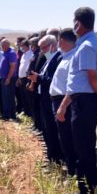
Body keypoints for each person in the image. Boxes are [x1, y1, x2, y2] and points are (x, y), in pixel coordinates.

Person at [56, 7, 97, 194]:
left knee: (83, 147)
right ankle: (90, 185)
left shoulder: (87, 46)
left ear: (78, 23)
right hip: (87, 100)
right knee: (87, 144)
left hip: (84, 101)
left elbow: (91, 76)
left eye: (74, 21)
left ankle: (85, 193)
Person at [29, 35, 64, 166]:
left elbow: (54, 81)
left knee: (52, 132)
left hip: (51, 100)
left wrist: (38, 78)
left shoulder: (59, 59)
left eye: (44, 47)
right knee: (47, 130)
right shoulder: (49, 59)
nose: (42, 51)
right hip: (44, 98)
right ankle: (51, 157)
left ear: (53, 45)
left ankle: (55, 160)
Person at [50, 29, 78, 177]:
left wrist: (63, 106)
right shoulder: (66, 56)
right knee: (64, 137)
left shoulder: (73, 57)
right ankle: (71, 169)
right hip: (59, 100)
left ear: (61, 41)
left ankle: (73, 171)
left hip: (64, 102)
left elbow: (72, 86)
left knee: (68, 138)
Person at [0, 39, 18, 120]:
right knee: (5, 97)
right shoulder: (5, 53)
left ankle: (10, 115)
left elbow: (13, 67)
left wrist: (8, 78)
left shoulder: (11, 53)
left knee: (9, 97)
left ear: (7, 45)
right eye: (1, 45)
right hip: (4, 78)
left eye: (2, 45)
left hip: (9, 78)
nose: (1, 47)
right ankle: (6, 114)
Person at [17, 40, 34, 118]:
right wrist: (19, 78)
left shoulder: (31, 54)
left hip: (27, 78)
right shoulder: (23, 55)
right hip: (21, 78)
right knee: (23, 96)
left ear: (26, 46)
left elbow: (30, 67)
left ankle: (30, 113)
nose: (21, 48)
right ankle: (25, 111)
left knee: (28, 96)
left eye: (22, 46)